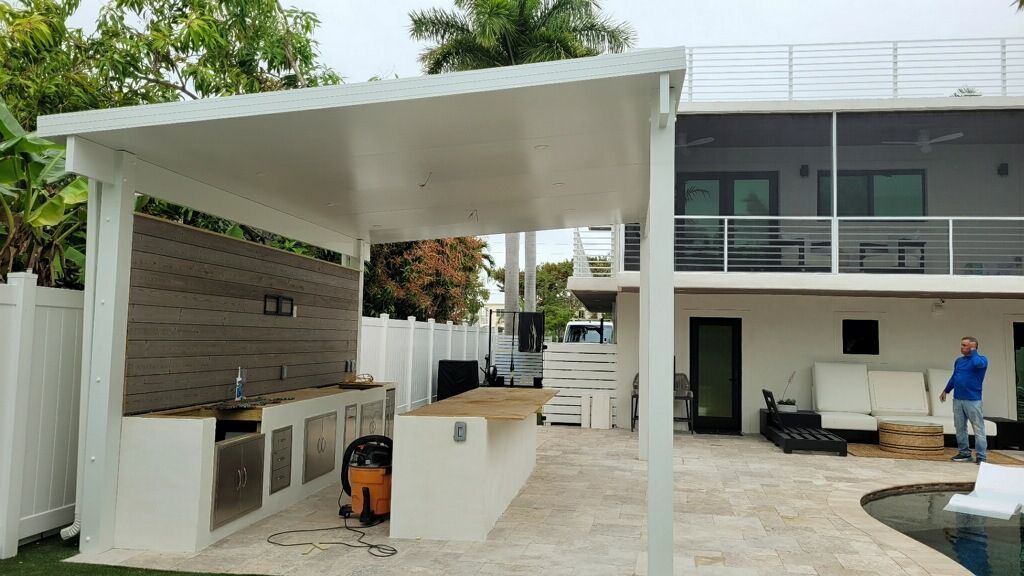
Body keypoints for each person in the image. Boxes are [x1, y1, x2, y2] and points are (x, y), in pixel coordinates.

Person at [940, 336, 988, 463]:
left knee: (978, 429)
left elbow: (976, 363)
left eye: (965, 345)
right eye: (961, 345)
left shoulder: (982, 360)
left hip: (973, 400)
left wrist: (973, 351)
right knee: (960, 427)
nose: (961, 347)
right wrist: (946, 390)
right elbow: (955, 377)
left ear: (973, 347)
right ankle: (964, 453)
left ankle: (981, 457)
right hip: (958, 400)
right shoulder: (959, 361)